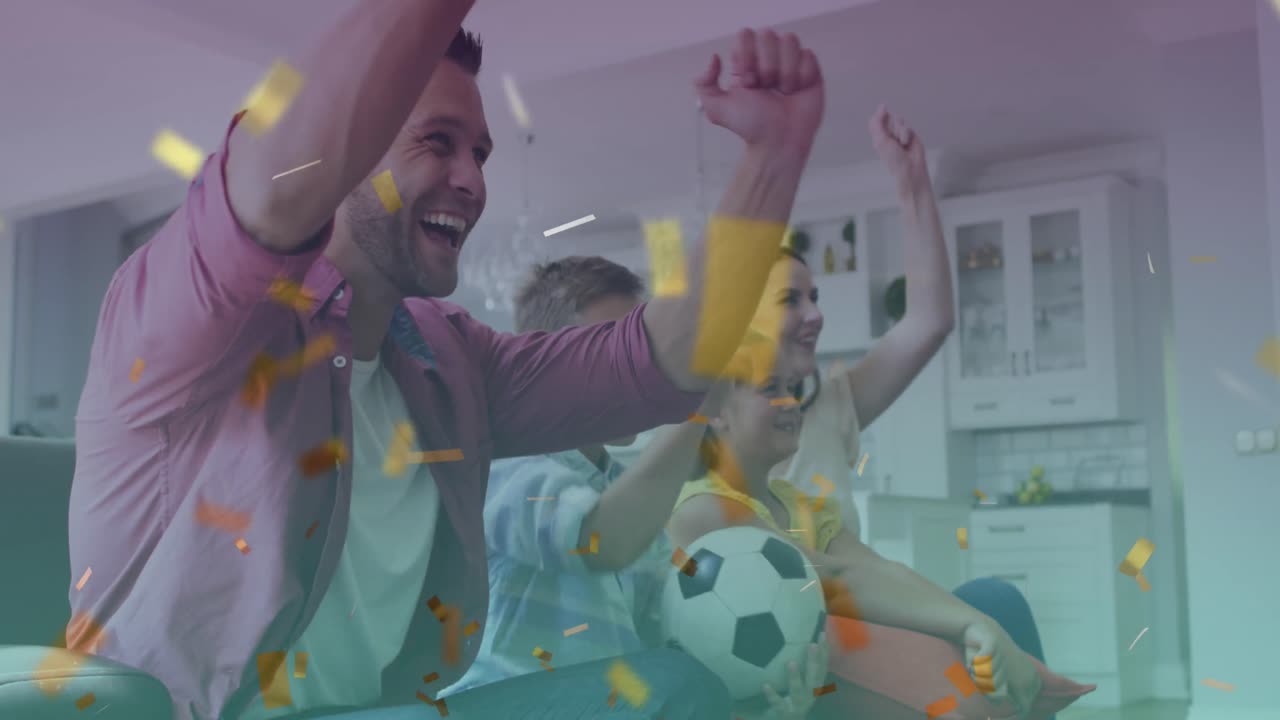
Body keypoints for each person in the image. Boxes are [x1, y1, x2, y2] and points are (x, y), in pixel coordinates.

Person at [64, 0, 827, 715]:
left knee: (672, 690)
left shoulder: (451, 360)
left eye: (482, 153)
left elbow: (666, 362)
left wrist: (776, 154)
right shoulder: (192, 318)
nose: (472, 180)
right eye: (438, 141)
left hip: (380, 708)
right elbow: (270, 193)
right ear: (353, 151)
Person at [666, 110, 1052, 718]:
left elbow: (929, 319)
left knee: (994, 603)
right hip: (827, 638)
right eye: (791, 299)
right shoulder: (705, 484)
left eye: (815, 297)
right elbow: (833, 572)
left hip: (867, 618)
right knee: (973, 665)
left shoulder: (828, 409)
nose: (815, 315)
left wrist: (913, 186)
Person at [442, 256, 827, 720]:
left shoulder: (620, 487)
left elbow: (664, 637)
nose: (638, 368)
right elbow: (600, 539)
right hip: (499, 706)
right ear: (550, 359)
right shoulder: (507, 466)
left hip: (602, 705)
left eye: (641, 349)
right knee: (672, 677)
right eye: (612, 350)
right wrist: (703, 402)